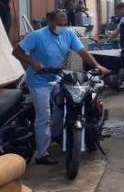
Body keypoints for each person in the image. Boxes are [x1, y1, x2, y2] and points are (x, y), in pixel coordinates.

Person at [12, 10, 110, 165]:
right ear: (50, 22)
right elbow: (16, 51)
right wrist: (32, 62)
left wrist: (97, 65)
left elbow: (82, 52)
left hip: (57, 76)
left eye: (65, 24)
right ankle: (42, 154)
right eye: (60, 25)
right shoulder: (37, 36)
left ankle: (55, 134)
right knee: (44, 116)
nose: (63, 27)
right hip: (39, 81)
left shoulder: (68, 34)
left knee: (63, 106)